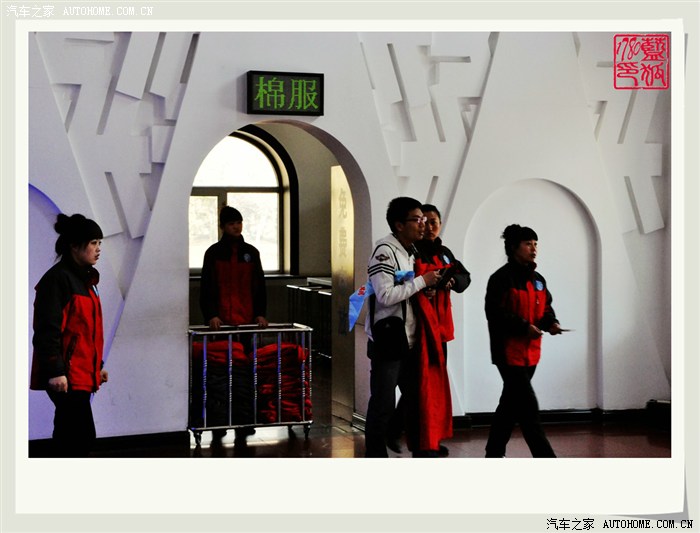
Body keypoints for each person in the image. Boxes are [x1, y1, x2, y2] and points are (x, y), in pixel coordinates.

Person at [387, 204, 471, 456]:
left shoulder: (445, 253)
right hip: (420, 327)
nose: (430, 226)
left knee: (433, 385)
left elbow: (464, 277)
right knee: (419, 386)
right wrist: (426, 286)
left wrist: (452, 281)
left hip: (441, 327)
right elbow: (403, 285)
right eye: (425, 221)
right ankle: (411, 436)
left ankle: (429, 439)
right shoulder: (412, 252)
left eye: (435, 222)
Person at [363, 197, 442, 458]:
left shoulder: (410, 251)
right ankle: (375, 455)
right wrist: (421, 282)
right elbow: (385, 295)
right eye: (417, 220)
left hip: (410, 338)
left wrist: (424, 290)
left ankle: (420, 449)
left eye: (424, 220)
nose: (423, 225)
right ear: (399, 224)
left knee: (415, 397)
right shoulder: (384, 251)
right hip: (388, 339)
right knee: (383, 404)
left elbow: (405, 289)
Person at [30, 213, 108, 457]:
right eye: (93, 243)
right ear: (74, 246)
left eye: (99, 243)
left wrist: (98, 367)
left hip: (80, 373)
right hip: (66, 375)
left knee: (73, 436)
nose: (98, 249)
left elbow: (87, 332)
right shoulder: (57, 280)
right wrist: (55, 371)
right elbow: (47, 331)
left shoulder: (86, 281)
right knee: (78, 437)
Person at [484, 224, 563, 458]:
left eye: (536, 244)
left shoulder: (538, 280)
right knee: (529, 410)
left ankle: (493, 453)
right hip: (508, 354)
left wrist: (551, 323)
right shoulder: (500, 279)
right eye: (528, 244)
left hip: (531, 354)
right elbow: (495, 313)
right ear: (513, 247)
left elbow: (545, 309)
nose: (534, 249)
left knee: (509, 405)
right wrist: (523, 327)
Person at [199, 206, 268, 442]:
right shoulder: (213, 253)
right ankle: (219, 423)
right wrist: (211, 314)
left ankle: (245, 421)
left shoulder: (251, 253)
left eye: (239, 222)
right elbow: (206, 287)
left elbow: (259, 286)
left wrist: (260, 314)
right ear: (222, 227)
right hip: (221, 325)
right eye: (231, 224)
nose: (236, 227)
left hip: (246, 324)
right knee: (218, 374)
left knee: (245, 373)